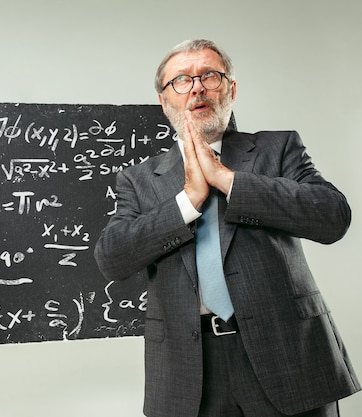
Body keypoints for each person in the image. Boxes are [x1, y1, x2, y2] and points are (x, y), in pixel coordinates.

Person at [94, 39, 360, 417]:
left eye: (210, 76)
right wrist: (187, 200)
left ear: (231, 89)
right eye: (182, 80)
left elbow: (332, 217)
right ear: (164, 100)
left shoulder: (277, 148)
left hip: (288, 355)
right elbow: (112, 259)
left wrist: (226, 178)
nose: (197, 87)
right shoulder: (139, 180)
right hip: (190, 372)